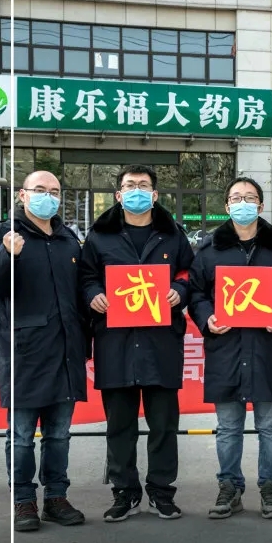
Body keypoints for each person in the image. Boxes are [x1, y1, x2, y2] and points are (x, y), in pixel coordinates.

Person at [0, 170, 89, 532]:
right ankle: (23, 501)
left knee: (59, 435)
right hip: (24, 353)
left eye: (54, 191)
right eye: (39, 190)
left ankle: (56, 497)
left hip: (65, 351)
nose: (47, 197)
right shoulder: (3, 235)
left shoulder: (69, 239)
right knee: (21, 437)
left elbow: (80, 291)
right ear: (22, 195)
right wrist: (8, 254)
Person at [79, 164, 195, 522]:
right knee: (120, 426)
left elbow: (190, 273)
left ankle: (161, 492)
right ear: (118, 195)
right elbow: (85, 277)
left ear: (155, 195)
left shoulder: (172, 235)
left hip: (161, 343)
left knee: (163, 426)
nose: (137, 191)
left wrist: (180, 290)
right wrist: (94, 294)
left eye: (144, 186)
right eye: (130, 186)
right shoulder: (100, 236)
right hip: (116, 343)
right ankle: (124, 492)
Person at [188, 177, 272, 520]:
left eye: (250, 197)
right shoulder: (209, 250)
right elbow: (196, 294)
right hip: (226, 348)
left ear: (261, 206)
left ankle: (270, 487)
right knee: (228, 426)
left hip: (266, 347)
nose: (243, 203)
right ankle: (229, 487)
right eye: (236, 198)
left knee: (270, 424)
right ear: (227, 206)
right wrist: (206, 318)